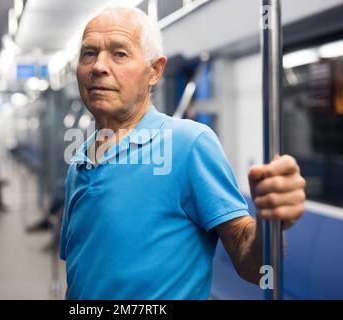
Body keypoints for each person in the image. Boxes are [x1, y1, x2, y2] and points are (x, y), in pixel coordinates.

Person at [59, 6, 306, 299]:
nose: (99, 66)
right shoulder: (80, 160)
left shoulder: (189, 144)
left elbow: (254, 266)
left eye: (119, 53)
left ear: (154, 71)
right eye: (89, 53)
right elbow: (81, 272)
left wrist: (269, 221)